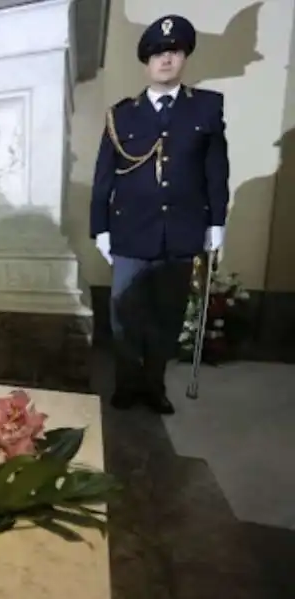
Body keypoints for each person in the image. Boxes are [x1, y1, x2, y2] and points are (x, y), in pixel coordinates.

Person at [90, 15, 229, 415]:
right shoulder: (122, 116)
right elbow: (104, 176)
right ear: (146, 62)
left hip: (182, 233)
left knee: (165, 318)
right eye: (157, 53)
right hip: (130, 232)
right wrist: (100, 227)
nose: (165, 59)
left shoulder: (205, 107)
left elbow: (215, 170)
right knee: (124, 317)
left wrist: (216, 222)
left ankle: (153, 387)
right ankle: (127, 385)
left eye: (173, 51)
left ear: (184, 56)